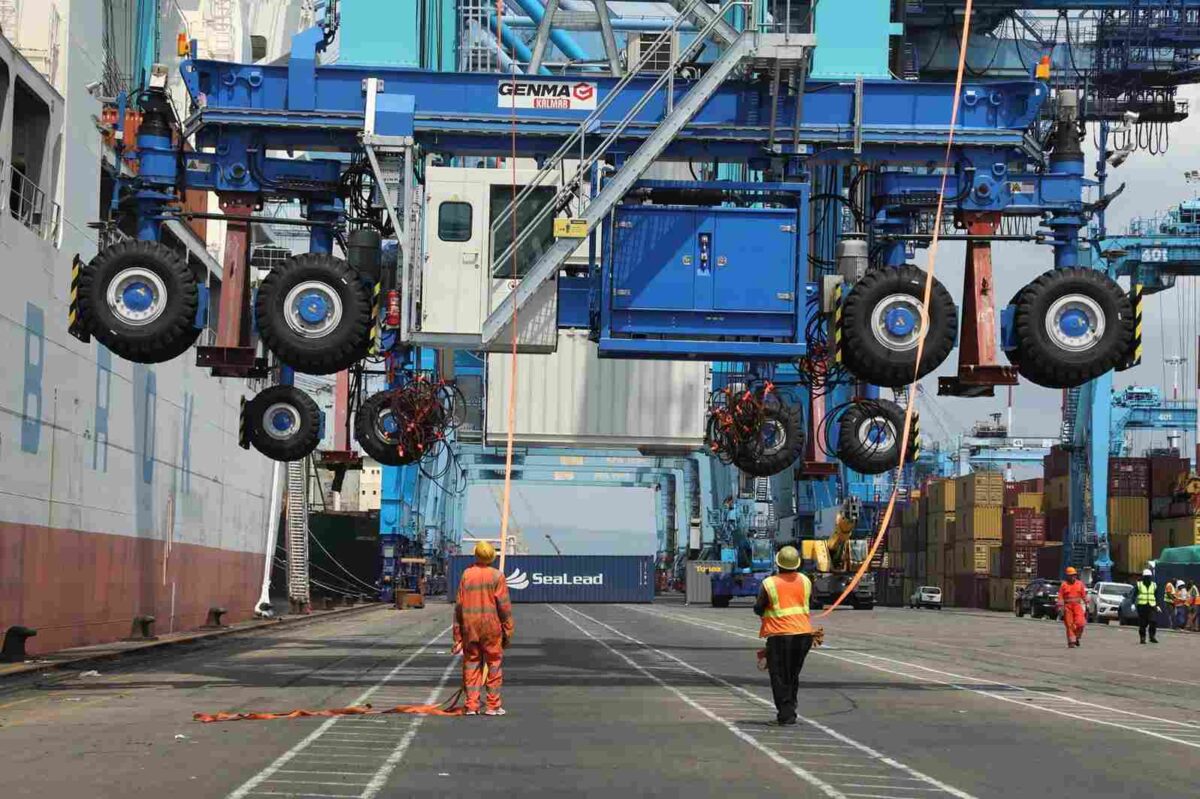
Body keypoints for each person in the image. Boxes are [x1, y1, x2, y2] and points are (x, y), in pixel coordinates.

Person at [753, 545, 815, 726]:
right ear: (797, 564)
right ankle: (790, 710)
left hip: (780, 636)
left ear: (778, 563)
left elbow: (759, 608)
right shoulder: (805, 580)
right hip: (803, 635)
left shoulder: (769, 583)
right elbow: (810, 602)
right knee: (792, 675)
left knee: (779, 676)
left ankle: (786, 715)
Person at [452, 540, 514, 716]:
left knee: (471, 665)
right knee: (494, 665)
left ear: (476, 554)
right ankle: (493, 706)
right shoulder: (497, 576)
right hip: (491, 627)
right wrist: (508, 629)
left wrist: (457, 635)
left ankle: (472, 706)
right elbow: (504, 606)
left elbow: (459, 606)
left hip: (470, 626)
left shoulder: (467, 574)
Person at [1057, 567, 1087, 648]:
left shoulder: (1080, 584)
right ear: (1067, 576)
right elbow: (1060, 597)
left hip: (1077, 606)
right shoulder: (1064, 585)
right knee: (1069, 625)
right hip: (1068, 607)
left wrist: (1087, 603)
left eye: (1074, 575)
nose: (1073, 577)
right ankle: (1071, 642)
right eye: (1071, 575)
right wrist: (1060, 607)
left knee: (1081, 623)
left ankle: (1077, 637)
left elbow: (1084, 595)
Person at [1134, 569, 1159, 645]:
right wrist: (1132, 604)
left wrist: (1157, 605)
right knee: (1143, 623)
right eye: (1146, 577)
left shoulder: (1154, 585)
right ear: (1143, 577)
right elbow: (1134, 595)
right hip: (1142, 606)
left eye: (1149, 577)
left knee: (1153, 621)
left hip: (1152, 606)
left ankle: (1152, 637)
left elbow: (1156, 596)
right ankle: (1142, 637)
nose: (1147, 578)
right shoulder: (1139, 585)